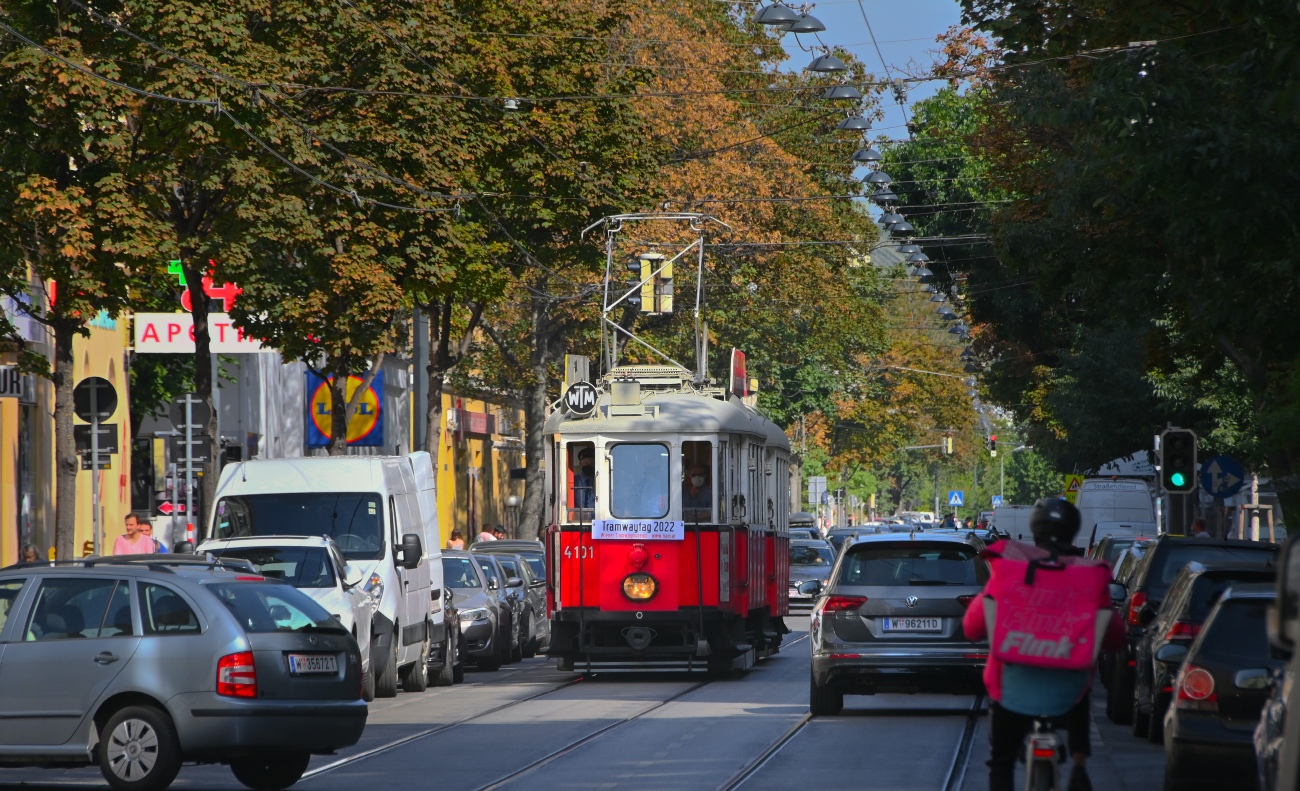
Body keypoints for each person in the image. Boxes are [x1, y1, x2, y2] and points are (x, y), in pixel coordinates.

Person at [962, 498, 1124, 791]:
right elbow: (1114, 637)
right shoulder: (1090, 574)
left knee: (1001, 763)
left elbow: (973, 628)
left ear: (1034, 531)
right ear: (1073, 531)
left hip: (1011, 691)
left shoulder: (1009, 568)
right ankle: (1078, 765)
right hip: (1068, 696)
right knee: (1080, 686)